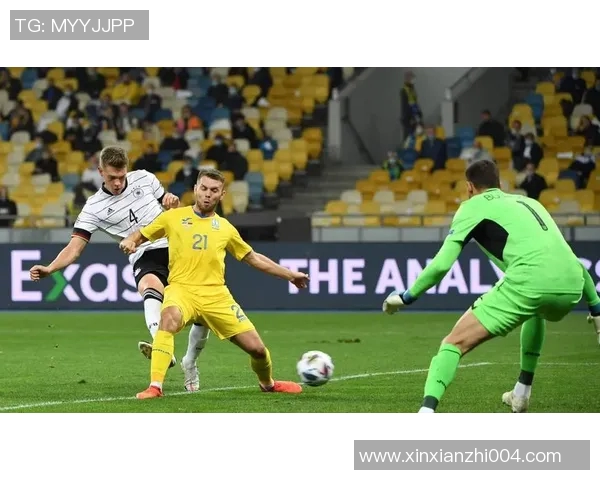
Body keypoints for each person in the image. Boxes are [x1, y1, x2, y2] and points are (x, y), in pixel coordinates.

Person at [382, 159, 600, 413]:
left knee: (453, 343)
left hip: (528, 282)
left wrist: (407, 296)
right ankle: (521, 393)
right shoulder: (530, 203)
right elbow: (571, 261)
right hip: (573, 284)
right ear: (500, 184)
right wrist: (596, 309)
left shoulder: (471, 207)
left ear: (469, 187)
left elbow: (441, 265)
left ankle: (425, 412)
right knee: (536, 312)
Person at [29, 146, 211, 392]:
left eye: (121, 176)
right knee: (149, 286)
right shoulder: (93, 207)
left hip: (177, 246)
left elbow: (172, 210)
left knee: (203, 312)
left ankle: (190, 361)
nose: (117, 183)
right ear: (100, 172)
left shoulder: (145, 178)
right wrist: (50, 268)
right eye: (112, 177)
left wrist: (172, 202)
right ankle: (162, 348)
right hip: (144, 253)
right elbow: (74, 248)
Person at [118, 167, 310, 400]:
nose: (208, 194)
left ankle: (268, 384)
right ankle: (155, 387)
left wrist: (290, 275)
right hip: (181, 289)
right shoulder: (173, 217)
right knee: (167, 320)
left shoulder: (226, 228)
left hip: (216, 296)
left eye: (214, 190)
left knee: (258, 350)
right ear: (195, 189)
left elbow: (254, 258)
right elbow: (143, 233)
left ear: (222, 194)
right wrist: (131, 240)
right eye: (204, 188)